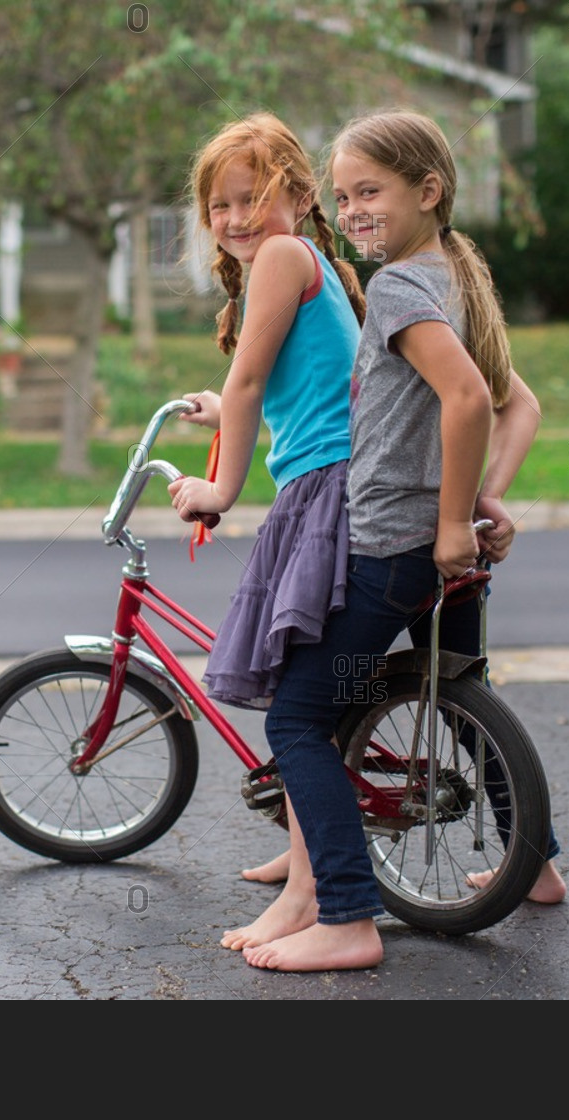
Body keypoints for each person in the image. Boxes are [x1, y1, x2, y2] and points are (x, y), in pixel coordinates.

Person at [235, 108, 565, 973]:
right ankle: (536, 868)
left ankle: (345, 916)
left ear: (431, 190)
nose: (352, 211)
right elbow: (515, 403)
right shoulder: (456, 274)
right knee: (465, 699)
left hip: (391, 544)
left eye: (370, 191)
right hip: (440, 549)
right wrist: (483, 500)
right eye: (343, 197)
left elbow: (468, 401)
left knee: (301, 718)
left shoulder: (395, 288)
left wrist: (457, 519)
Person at [166, 111, 365, 719]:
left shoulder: (281, 254)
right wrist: (224, 410)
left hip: (325, 485)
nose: (233, 218)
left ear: (301, 198)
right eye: (219, 207)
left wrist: (222, 491)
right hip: (331, 474)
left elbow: (250, 379)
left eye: (251, 198)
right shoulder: (304, 262)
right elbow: (303, 390)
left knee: (298, 715)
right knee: (309, 710)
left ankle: (317, 801)